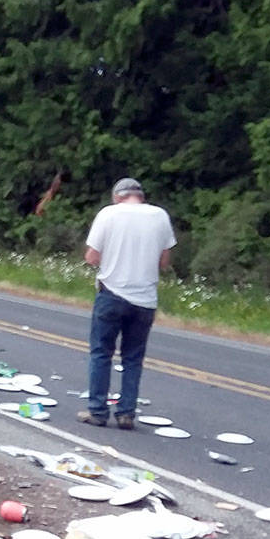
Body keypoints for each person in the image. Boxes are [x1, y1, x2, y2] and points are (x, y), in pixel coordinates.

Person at [78, 177, 175, 429]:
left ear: (117, 196)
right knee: (133, 358)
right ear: (140, 195)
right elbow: (164, 262)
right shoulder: (160, 216)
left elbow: (92, 257)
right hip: (145, 299)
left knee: (101, 353)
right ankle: (126, 413)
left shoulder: (109, 214)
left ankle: (98, 411)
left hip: (112, 293)